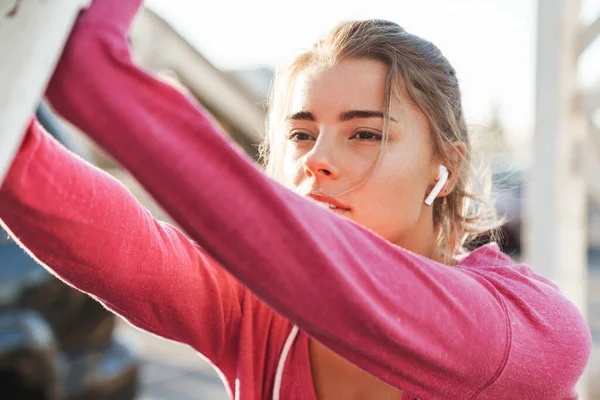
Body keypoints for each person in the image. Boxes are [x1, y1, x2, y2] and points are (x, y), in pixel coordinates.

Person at [0, 0, 591, 399]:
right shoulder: (254, 316)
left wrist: (100, 67)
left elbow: (334, 280)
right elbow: (35, 184)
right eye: (301, 135)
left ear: (445, 165)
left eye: (366, 133)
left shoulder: (532, 329)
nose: (315, 160)